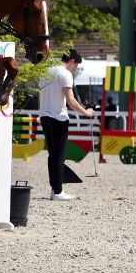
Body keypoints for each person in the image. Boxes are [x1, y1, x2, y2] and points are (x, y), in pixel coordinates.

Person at [39, 49, 94, 201]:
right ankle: (57, 191)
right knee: (59, 156)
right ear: (72, 61)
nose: (74, 69)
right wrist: (86, 112)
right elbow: (71, 100)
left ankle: (54, 189)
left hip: (44, 116)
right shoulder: (65, 74)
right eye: (75, 67)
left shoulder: (46, 71)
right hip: (59, 118)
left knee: (52, 155)